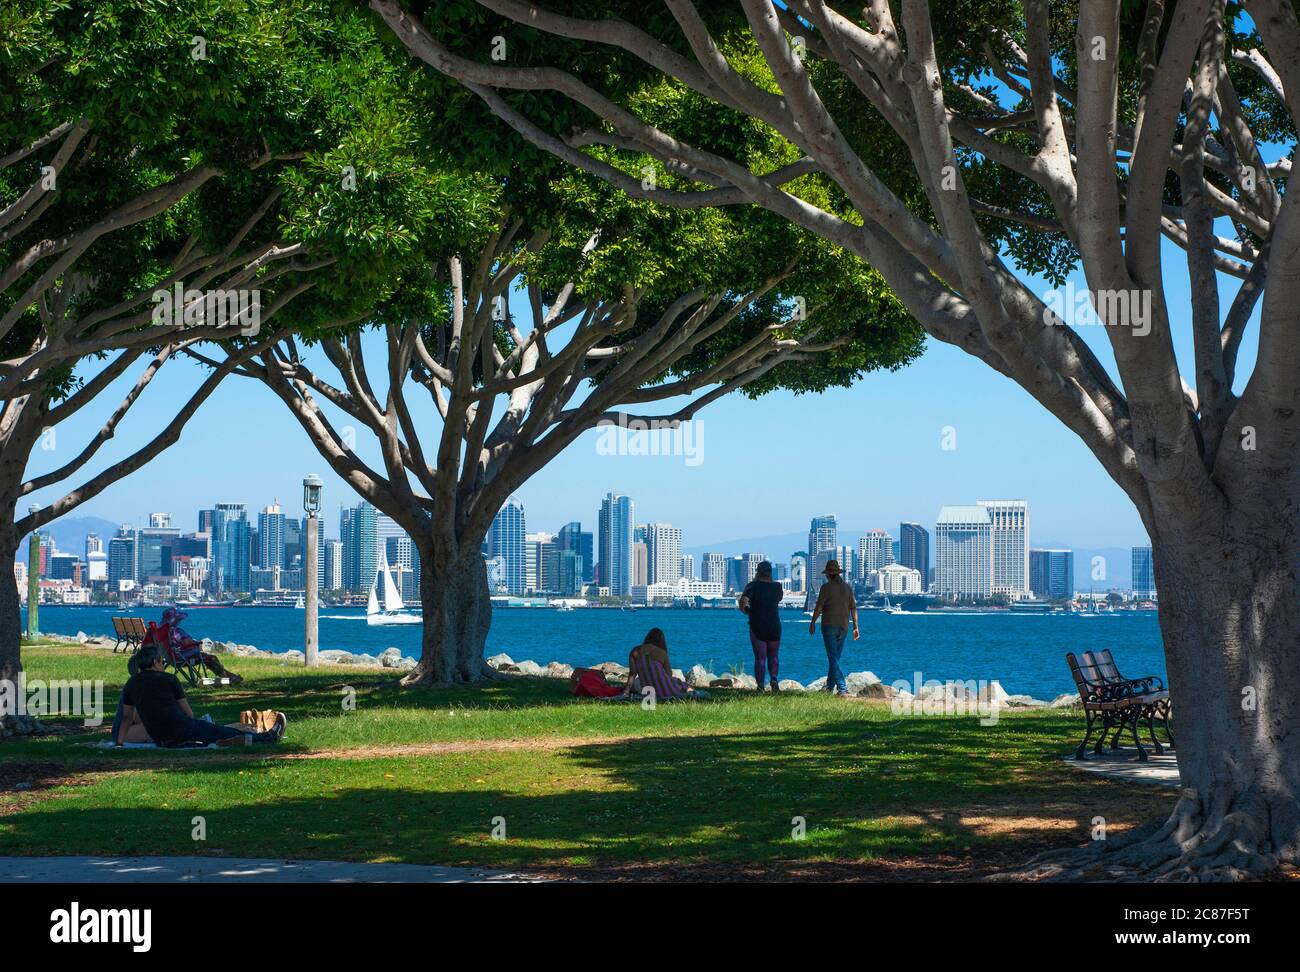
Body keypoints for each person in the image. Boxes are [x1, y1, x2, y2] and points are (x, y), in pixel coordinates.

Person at [115, 644, 286, 747]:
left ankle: (242, 738)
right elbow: (188, 713)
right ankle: (266, 738)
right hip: (179, 729)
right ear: (154, 662)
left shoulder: (131, 684)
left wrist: (119, 743)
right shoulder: (170, 679)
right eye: (161, 661)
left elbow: (128, 718)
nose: (163, 665)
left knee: (214, 733)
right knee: (219, 731)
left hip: (160, 737)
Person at [808, 559, 859, 695]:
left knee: (833, 658)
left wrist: (813, 622)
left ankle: (842, 689)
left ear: (828, 575)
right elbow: (853, 608)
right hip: (844, 627)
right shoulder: (848, 588)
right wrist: (855, 626)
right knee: (835, 658)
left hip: (829, 625)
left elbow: (819, 607)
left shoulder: (826, 588)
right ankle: (829, 688)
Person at [156, 607, 243, 683]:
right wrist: (197, 643)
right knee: (211, 658)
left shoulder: (162, 632)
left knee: (207, 657)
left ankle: (229, 676)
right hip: (183, 659)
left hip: (172, 659)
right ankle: (227, 677)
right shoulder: (177, 631)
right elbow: (187, 643)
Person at [739, 560, 783, 692]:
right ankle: (774, 679)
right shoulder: (777, 587)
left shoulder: (752, 586)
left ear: (758, 572)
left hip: (757, 624)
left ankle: (760, 686)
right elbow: (778, 599)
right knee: (774, 656)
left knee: (760, 658)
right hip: (774, 625)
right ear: (770, 573)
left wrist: (747, 611)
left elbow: (743, 602)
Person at [621, 628, 693, 701]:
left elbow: (632, 674)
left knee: (637, 682)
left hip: (648, 690)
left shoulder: (635, 651)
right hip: (666, 691)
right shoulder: (662, 652)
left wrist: (626, 692)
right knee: (682, 684)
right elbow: (668, 674)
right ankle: (690, 692)